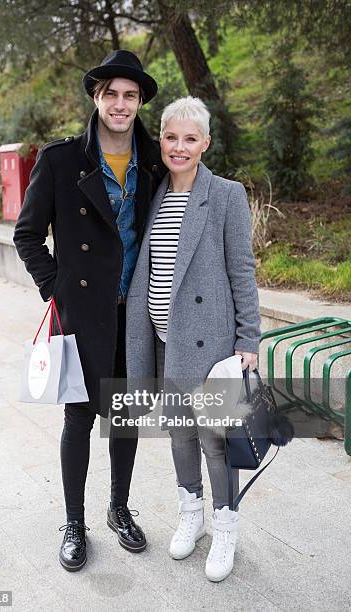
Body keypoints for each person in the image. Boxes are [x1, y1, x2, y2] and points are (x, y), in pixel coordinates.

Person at [13, 50, 166, 571]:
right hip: (82, 309)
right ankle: (73, 521)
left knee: (125, 417)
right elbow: (27, 234)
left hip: (137, 311)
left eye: (130, 95)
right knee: (79, 416)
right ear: (97, 98)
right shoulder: (60, 161)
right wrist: (56, 288)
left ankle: (118, 509)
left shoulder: (154, 161)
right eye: (111, 94)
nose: (120, 104)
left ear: (140, 100)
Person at [126, 96, 261, 582]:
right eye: (170, 137)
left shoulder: (226, 194)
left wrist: (250, 338)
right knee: (179, 432)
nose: (178, 147)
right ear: (160, 140)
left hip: (214, 342)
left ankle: (225, 526)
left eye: (189, 139)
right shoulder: (154, 193)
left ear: (205, 142)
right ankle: (192, 515)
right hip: (166, 341)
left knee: (215, 439)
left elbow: (242, 270)